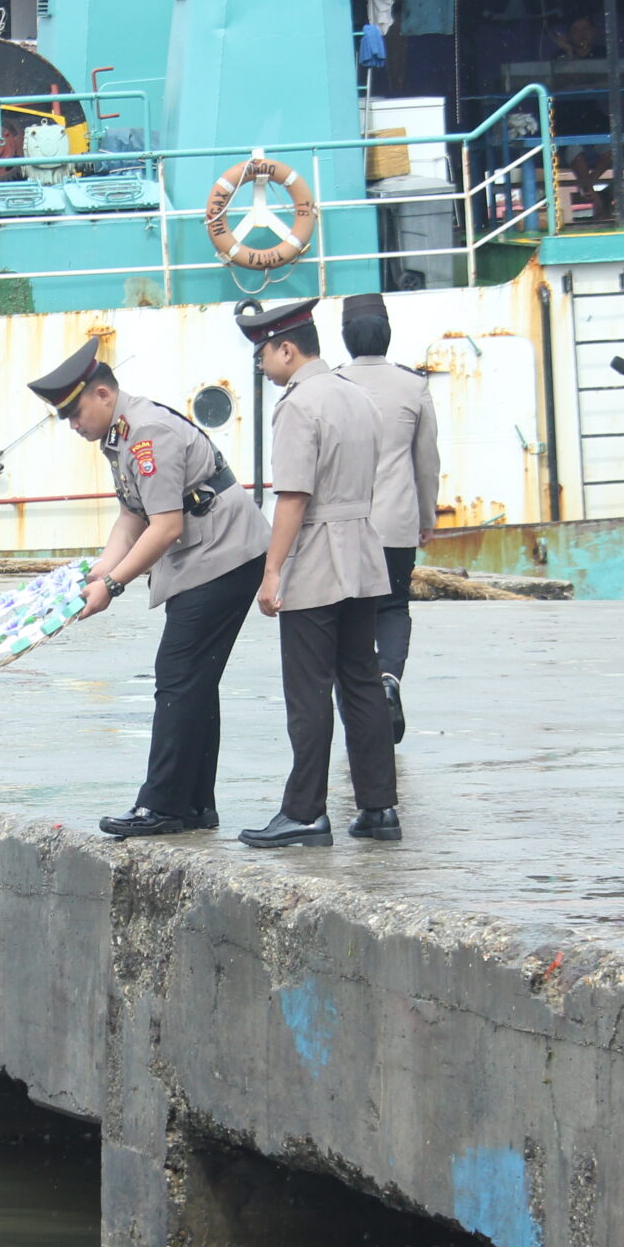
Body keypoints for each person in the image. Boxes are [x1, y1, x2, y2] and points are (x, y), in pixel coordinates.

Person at [26, 338, 269, 837]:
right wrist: (98, 571)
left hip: (223, 556)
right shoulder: (118, 436)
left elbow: (165, 526)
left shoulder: (146, 435)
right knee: (194, 681)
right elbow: (131, 514)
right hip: (207, 555)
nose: (73, 425)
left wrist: (112, 586)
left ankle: (161, 807)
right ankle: (196, 805)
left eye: (74, 413)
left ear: (102, 394)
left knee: (177, 677)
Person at [234, 297, 397, 850]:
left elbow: (293, 498)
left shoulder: (299, 406)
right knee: (362, 683)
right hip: (362, 549)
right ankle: (379, 808)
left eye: (264, 352)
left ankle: (304, 813)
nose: (260, 363)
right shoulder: (357, 395)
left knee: (307, 692)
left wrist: (272, 571)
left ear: (287, 348)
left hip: (318, 556)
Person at [334, 294, 440, 742]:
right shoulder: (413, 386)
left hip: (344, 523)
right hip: (397, 519)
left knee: (348, 614)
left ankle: (360, 712)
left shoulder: (332, 385)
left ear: (345, 337)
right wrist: (427, 514)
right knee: (394, 606)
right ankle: (389, 679)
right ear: (388, 334)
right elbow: (426, 461)